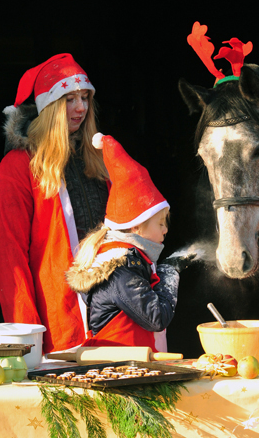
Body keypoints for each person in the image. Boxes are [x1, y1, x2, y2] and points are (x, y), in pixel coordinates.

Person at [0, 54, 109, 354]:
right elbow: (10, 259)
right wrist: (26, 340)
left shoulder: (100, 159)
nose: (81, 107)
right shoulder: (18, 167)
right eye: (69, 99)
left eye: (85, 97)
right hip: (59, 329)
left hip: (114, 321)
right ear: (49, 106)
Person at [66, 134, 194, 351]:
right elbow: (156, 317)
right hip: (117, 374)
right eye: (160, 223)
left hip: (131, 368)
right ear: (136, 226)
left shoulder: (128, 261)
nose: (166, 229)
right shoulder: (121, 269)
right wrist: (169, 272)